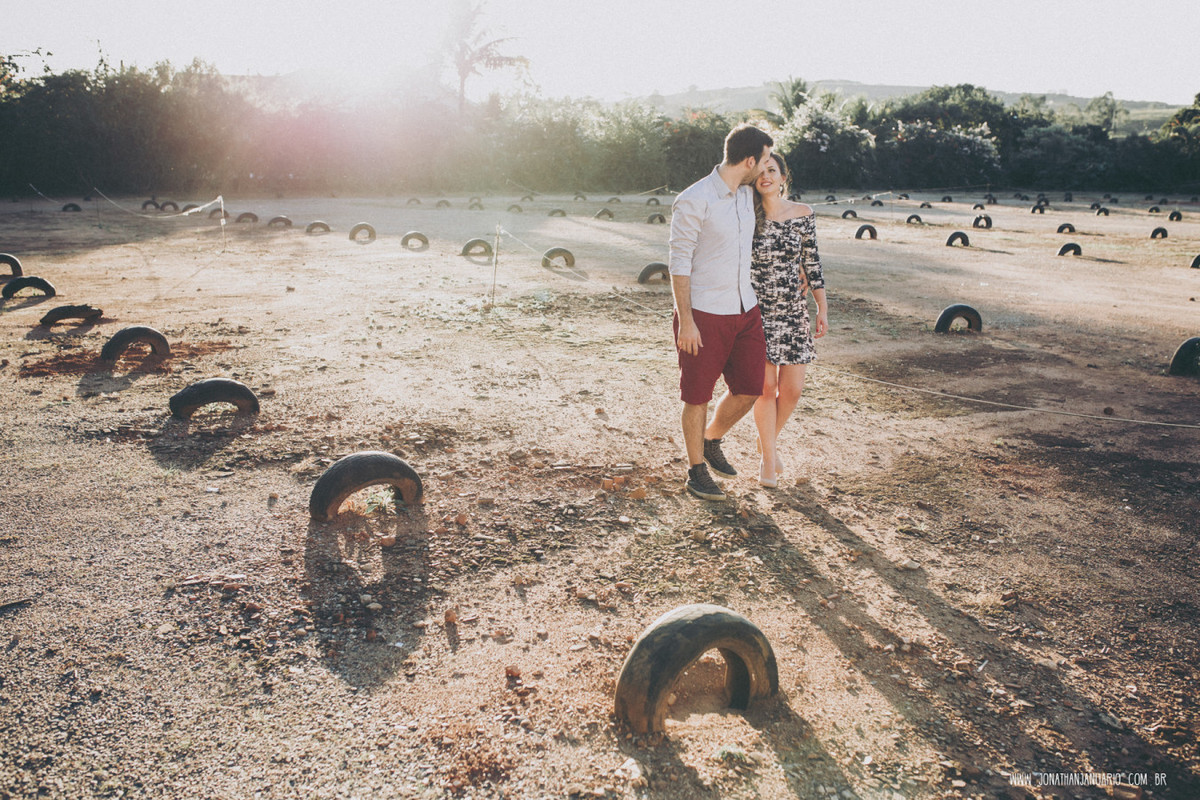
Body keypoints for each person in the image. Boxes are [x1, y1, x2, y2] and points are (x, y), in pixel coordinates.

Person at [669, 123, 775, 501]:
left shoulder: (747, 195)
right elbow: (678, 263)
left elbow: (778, 193)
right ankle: (696, 471)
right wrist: (687, 322)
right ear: (748, 160)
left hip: (746, 308)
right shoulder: (694, 199)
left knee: (751, 388)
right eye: (763, 161)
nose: (767, 168)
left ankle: (712, 439)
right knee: (696, 396)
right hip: (704, 312)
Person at [749, 152, 828, 488]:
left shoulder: (803, 214)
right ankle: (769, 459)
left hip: (794, 314)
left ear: (784, 176)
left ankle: (766, 440)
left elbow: (813, 263)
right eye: (760, 172)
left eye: (772, 170)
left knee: (792, 391)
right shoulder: (746, 216)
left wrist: (822, 307)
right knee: (765, 389)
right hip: (757, 312)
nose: (766, 176)